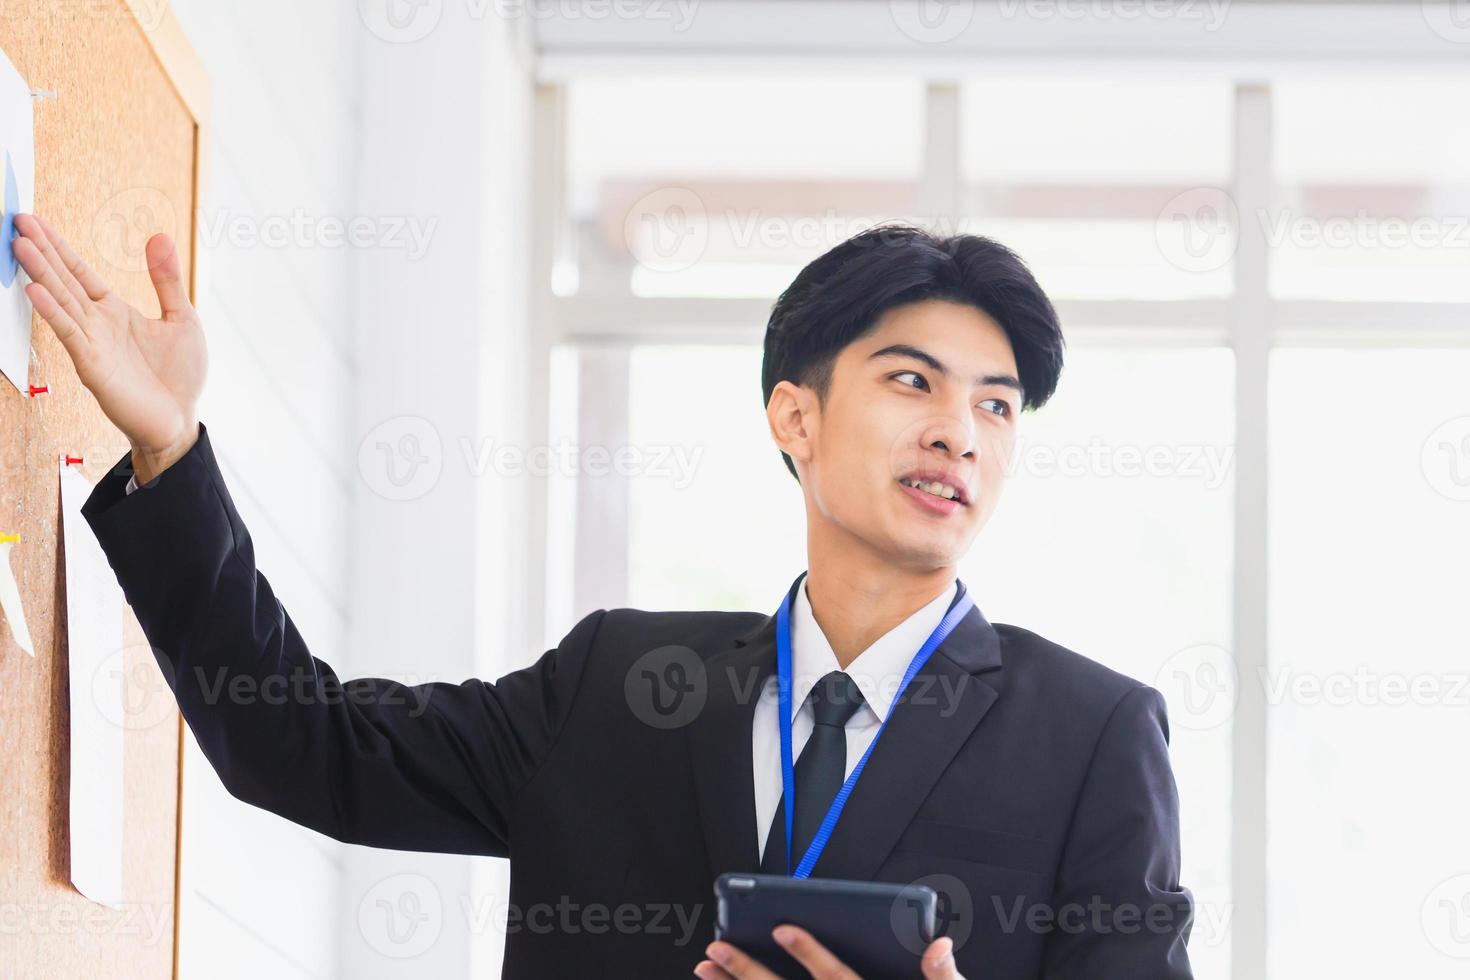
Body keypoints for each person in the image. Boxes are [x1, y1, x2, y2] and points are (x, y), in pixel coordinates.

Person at [13, 213, 1194, 978]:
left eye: (997, 404)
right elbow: (296, 742)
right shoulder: (617, 687)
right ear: (796, 415)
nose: (959, 431)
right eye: (911, 380)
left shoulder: (1092, 734)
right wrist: (170, 447)